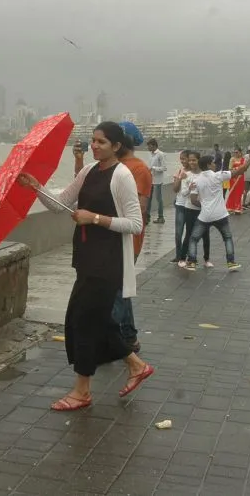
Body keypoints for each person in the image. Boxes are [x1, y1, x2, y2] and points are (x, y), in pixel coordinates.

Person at [18, 121, 153, 411]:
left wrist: (93, 218)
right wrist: (36, 187)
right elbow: (60, 204)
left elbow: (135, 223)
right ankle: (136, 365)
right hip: (87, 257)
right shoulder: (88, 171)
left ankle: (82, 391)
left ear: (116, 146)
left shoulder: (122, 176)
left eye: (101, 142)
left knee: (82, 321)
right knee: (97, 321)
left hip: (109, 261)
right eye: (93, 140)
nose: (94, 146)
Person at [110, 121, 152, 354]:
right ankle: (128, 337)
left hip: (126, 240)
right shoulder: (112, 165)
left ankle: (119, 341)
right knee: (119, 290)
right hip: (110, 239)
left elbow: (140, 209)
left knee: (116, 291)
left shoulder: (137, 169)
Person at [185, 152, 250, 272]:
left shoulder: (196, 181)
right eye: (213, 162)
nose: (215, 164)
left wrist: (204, 206)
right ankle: (231, 262)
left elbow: (193, 200)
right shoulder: (218, 176)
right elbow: (241, 170)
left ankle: (191, 262)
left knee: (194, 238)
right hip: (220, 214)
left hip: (205, 216)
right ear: (208, 165)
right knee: (227, 238)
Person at [179, 151, 211, 268]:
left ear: (199, 160)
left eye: (194, 160)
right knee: (189, 234)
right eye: (190, 160)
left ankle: (206, 259)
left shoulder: (205, 174)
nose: (192, 162)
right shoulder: (186, 175)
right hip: (190, 209)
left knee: (205, 234)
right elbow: (183, 194)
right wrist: (189, 188)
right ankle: (183, 258)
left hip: (203, 209)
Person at [170, 150, 191, 263]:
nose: (182, 161)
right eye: (181, 159)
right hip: (180, 205)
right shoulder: (179, 171)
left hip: (191, 207)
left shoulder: (195, 172)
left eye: (184, 158)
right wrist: (179, 178)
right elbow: (175, 189)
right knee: (178, 233)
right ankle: (178, 255)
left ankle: (184, 253)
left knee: (189, 233)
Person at [146, 138, 166, 224]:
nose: (148, 148)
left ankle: (161, 217)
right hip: (150, 179)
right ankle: (147, 217)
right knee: (148, 199)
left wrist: (153, 168)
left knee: (158, 199)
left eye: (149, 146)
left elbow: (164, 168)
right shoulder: (151, 154)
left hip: (158, 181)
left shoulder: (160, 154)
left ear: (154, 145)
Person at [225, 149, 246, 213]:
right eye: (234, 152)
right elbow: (230, 169)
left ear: (240, 152)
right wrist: (237, 169)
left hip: (240, 178)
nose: (235, 154)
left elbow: (244, 168)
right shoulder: (232, 159)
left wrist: (239, 169)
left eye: (237, 152)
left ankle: (237, 208)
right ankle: (230, 207)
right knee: (232, 192)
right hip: (233, 178)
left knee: (239, 192)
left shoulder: (243, 160)